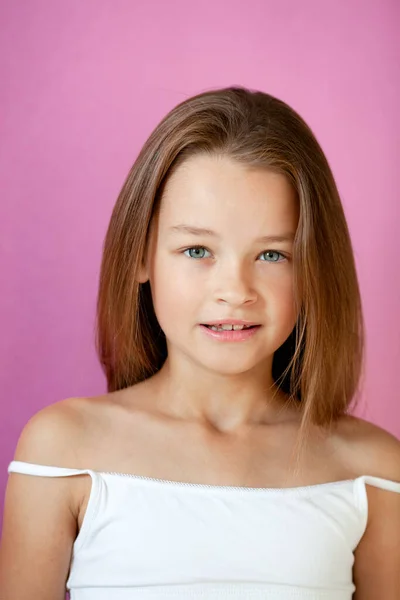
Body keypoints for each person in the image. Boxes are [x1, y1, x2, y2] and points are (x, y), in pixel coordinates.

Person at [0, 86, 399, 600]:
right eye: (196, 250)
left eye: (273, 255)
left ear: (315, 269)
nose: (234, 290)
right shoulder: (61, 449)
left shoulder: (372, 473)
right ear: (142, 256)